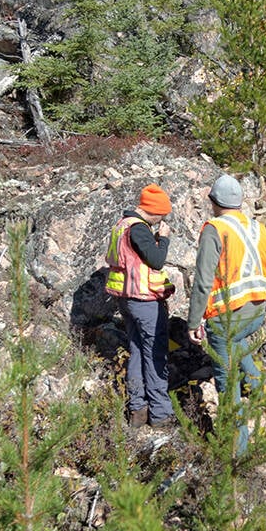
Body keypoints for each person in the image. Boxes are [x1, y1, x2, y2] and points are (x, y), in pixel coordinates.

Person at [187, 174, 266, 454]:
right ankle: (260, 390)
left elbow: (203, 279)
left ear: (214, 201)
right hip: (257, 309)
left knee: (226, 382)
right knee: (239, 343)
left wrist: (194, 321)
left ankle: (238, 453)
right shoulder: (257, 227)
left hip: (227, 316)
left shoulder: (215, 228)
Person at [105, 183, 177, 429]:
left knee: (137, 351)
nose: (161, 220)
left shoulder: (122, 225)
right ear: (154, 212)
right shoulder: (139, 229)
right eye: (162, 216)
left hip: (125, 299)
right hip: (143, 300)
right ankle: (160, 414)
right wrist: (164, 240)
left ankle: (138, 410)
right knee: (155, 353)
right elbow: (155, 261)